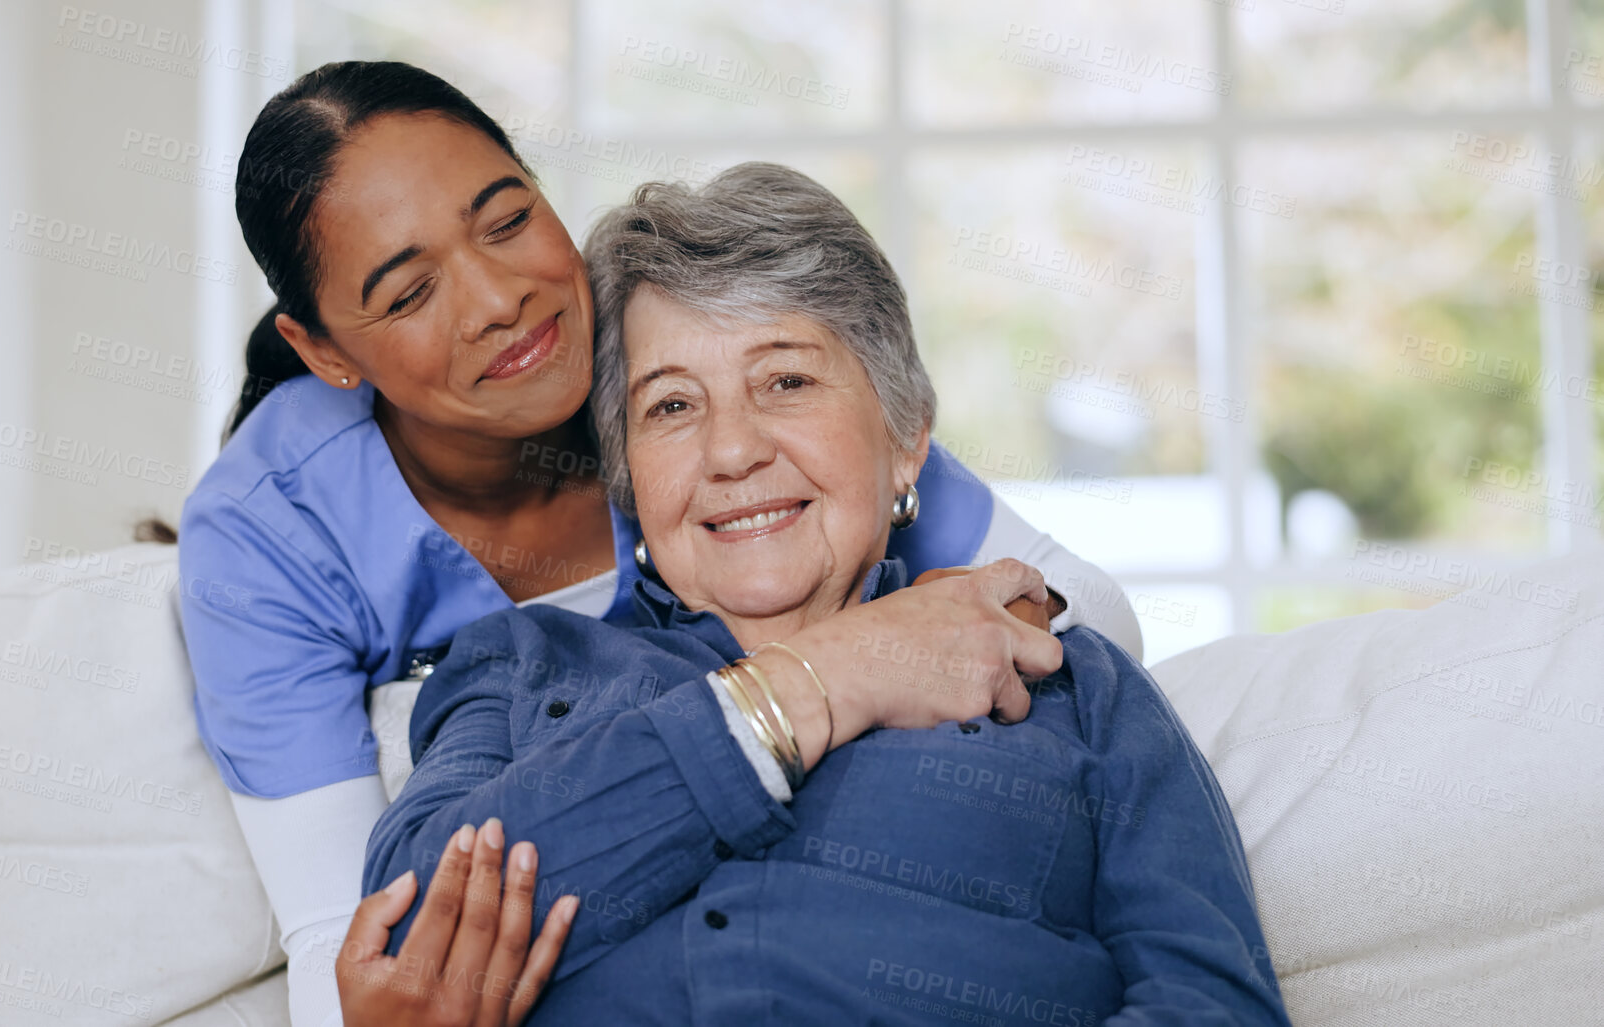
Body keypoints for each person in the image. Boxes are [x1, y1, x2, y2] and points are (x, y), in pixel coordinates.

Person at [177, 60, 1143, 1025]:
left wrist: (925, 646)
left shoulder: (678, 364)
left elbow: (1082, 606)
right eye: (408, 291)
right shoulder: (273, 535)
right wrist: (823, 673)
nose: (499, 299)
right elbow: (349, 940)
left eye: (507, 219)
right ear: (324, 351)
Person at [364, 164, 1287, 1024]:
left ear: (906, 438)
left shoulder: (1070, 683)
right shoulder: (521, 665)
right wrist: (822, 681)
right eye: (672, 406)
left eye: (786, 379)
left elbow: (1212, 1005)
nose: (731, 452)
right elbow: (405, 951)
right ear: (629, 479)